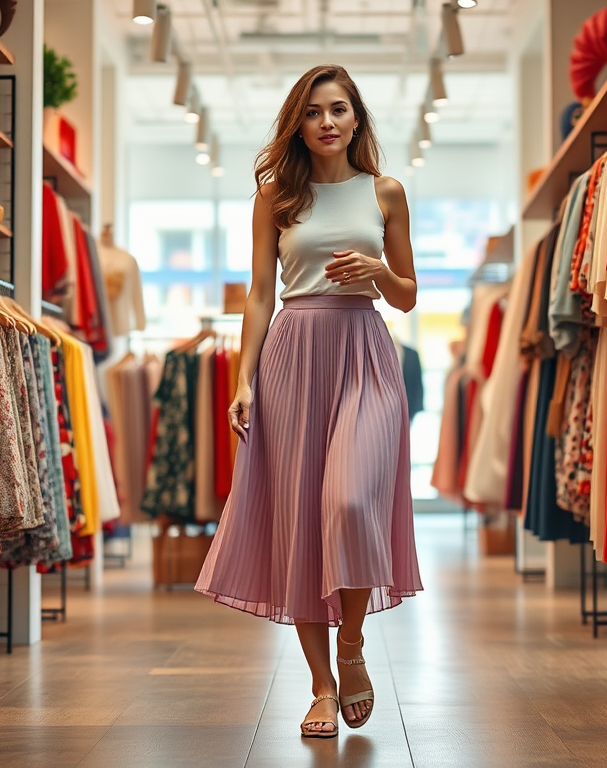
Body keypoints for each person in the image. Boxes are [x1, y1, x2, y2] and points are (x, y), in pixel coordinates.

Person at [195, 65, 423, 739]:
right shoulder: (276, 197)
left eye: (339, 110)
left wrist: (380, 272)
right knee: (298, 521)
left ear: (357, 120)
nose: (327, 121)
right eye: (314, 112)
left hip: (366, 352)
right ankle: (322, 686)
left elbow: (408, 294)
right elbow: (260, 296)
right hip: (293, 354)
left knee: (352, 503)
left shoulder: (385, 192)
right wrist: (243, 379)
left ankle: (350, 645)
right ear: (299, 123)